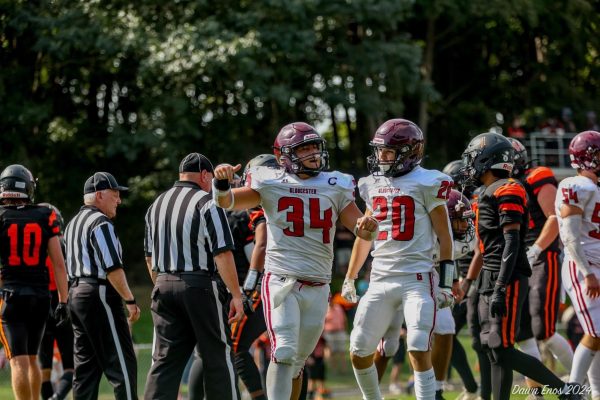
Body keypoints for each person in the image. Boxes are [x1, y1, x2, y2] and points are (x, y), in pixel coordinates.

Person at [212, 121, 378, 400]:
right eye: (304, 149)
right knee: (284, 351)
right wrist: (221, 182)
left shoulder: (334, 184)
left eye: (315, 147)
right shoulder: (271, 181)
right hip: (281, 281)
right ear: (284, 157)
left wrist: (366, 226)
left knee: (298, 363)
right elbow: (226, 202)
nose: (313, 154)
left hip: (318, 285)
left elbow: (357, 225)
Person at [461, 132, 581, 400]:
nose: (470, 165)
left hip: (508, 276)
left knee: (501, 346)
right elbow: (485, 246)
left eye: (473, 159)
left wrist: (501, 286)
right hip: (489, 275)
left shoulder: (510, 187)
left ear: (487, 160)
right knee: (490, 347)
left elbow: (512, 241)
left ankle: (566, 390)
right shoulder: (483, 192)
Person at [342, 118, 455, 400]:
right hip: (380, 278)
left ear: (409, 152)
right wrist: (350, 276)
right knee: (358, 348)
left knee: (417, 344)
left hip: (417, 278)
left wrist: (446, 284)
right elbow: (365, 235)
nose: (381, 157)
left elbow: (445, 237)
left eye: (388, 152)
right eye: (379, 151)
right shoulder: (372, 183)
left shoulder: (428, 182)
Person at [143, 153, 244, 400]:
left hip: (163, 284)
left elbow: (149, 257)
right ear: (205, 176)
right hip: (199, 285)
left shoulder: (156, 204)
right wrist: (236, 295)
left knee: (164, 362)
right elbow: (222, 253)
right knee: (218, 357)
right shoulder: (208, 201)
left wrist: (161, 285)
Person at [64, 171, 140, 400]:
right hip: (98, 294)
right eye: (115, 194)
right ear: (99, 195)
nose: (119, 200)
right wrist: (130, 300)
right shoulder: (100, 222)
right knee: (123, 365)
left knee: (85, 370)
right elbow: (112, 268)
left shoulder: (72, 224)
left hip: (75, 294)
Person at [508, 139, 574, 386]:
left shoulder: (537, 176)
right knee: (524, 331)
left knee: (543, 328)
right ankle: (537, 391)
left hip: (542, 255)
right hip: (519, 259)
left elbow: (555, 218)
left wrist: (535, 249)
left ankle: (583, 382)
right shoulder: (504, 186)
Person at [0, 165, 69, 400]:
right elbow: (59, 264)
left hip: (11, 296)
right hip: (40, 298)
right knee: (32, 359)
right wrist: (63, 300)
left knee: (18, 362)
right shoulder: (44, 215)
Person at [555, 131, 600, 397]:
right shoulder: (575, 185)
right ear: (588, 157)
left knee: (598, 336)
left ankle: (596, 392)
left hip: (594, 266)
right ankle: (572, 388)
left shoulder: (593, 188)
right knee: (595, 332)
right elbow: (570, 234)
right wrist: (586, 273)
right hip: (583, 266)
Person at [38, 203, 75, 400]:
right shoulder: (63, 243)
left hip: (40, 303)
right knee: (71, 365)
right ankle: (57, 397)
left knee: (43, 366)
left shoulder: (37, 244)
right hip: (62, 300)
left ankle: (48, 398)